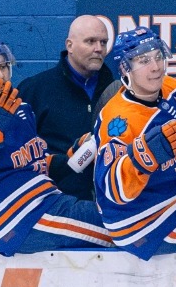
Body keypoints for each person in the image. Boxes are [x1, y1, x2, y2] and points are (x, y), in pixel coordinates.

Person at [0, 34, 112, 254]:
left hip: (41, 204)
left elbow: (34, 162)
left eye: (3, 66)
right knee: (121, 226)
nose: (0, 74)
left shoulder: (20, 107)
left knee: (118, 215)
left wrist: (69, 159)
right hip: (11, 220)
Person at [94, 26, 176, 257]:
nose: (156, 67)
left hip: (175, 197)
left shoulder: (173, 88)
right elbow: (114, 190)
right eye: (143, 61)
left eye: (158, 56)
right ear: (125, 68)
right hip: (138, 222)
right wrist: (144, 157)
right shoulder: (118, 122)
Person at [17, 15, 113, 201]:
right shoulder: (35, 89)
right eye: (90, 41)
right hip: (53, 206)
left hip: (108, 207)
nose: (99, 48)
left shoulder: (118, 90)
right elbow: (16, 153)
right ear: (69, 45)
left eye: (103, 42)